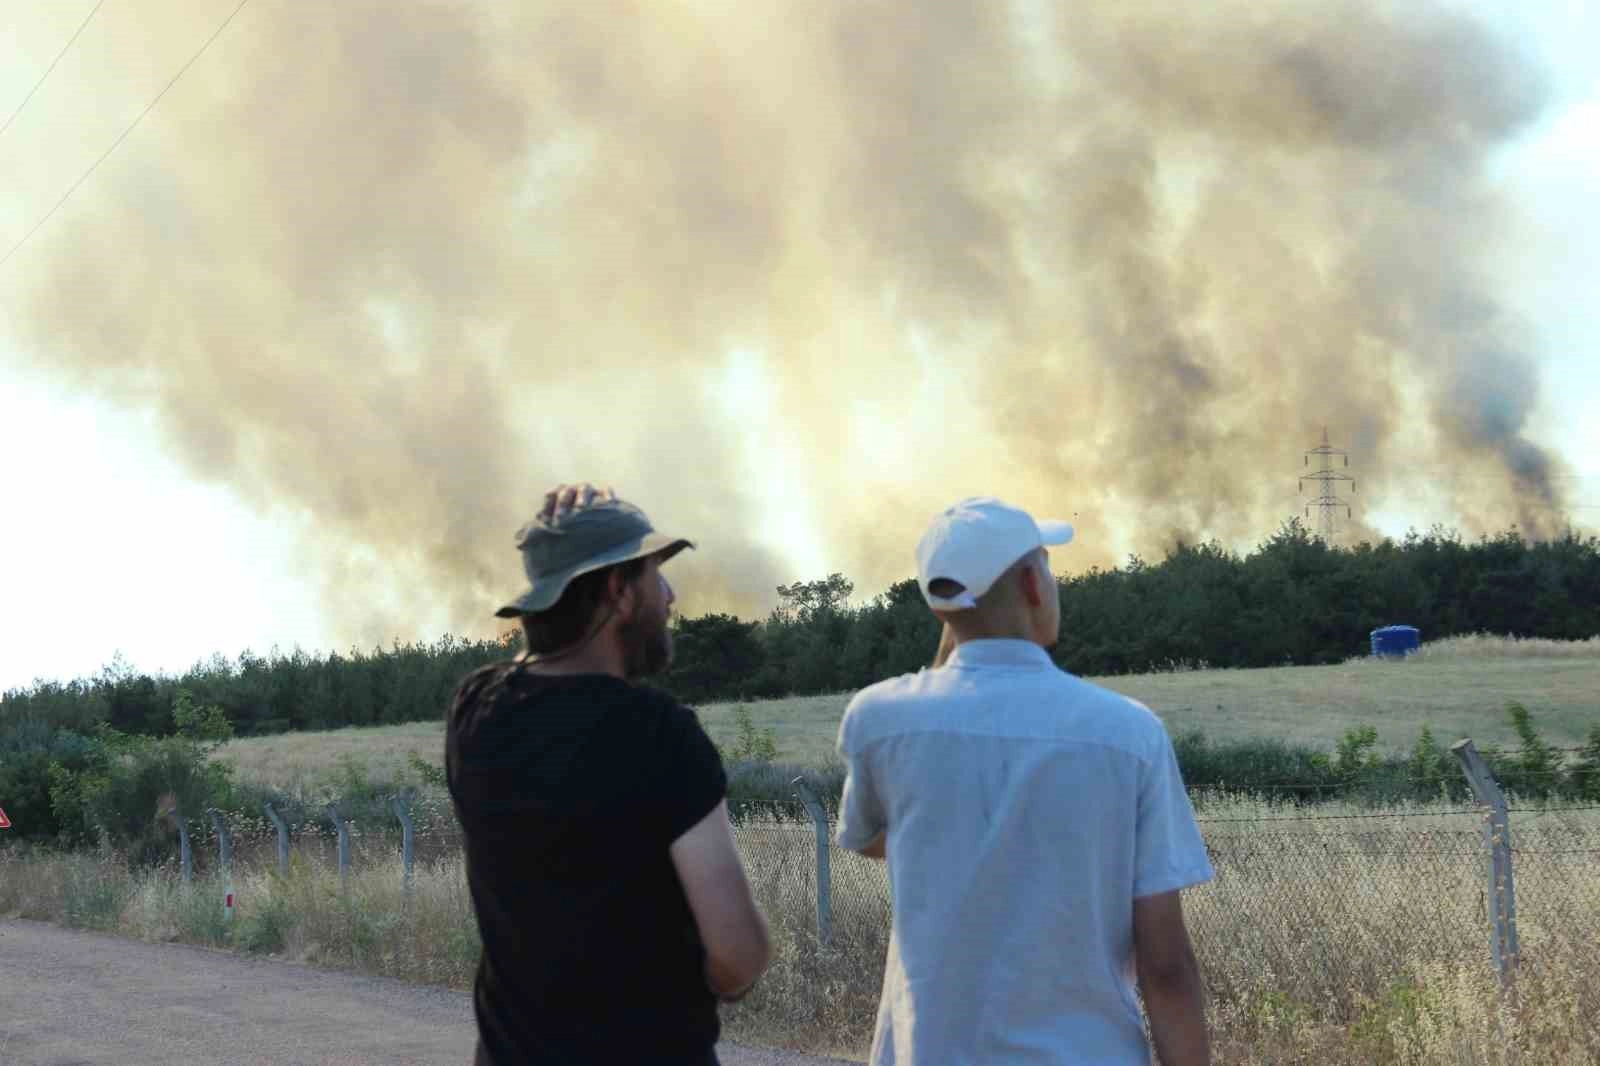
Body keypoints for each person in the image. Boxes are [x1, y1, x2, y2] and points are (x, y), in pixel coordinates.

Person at [835, 497, 1213, 1066]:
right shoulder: (1128, 733)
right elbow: (1166, 967)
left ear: (938, 608)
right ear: (1035, 584)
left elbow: (873, 838)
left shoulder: (879, 721)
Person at [447, 482, 772, 1066]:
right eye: (654, 574)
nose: (669, 595)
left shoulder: (476, 712)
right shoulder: (658, 734)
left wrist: (559, 547)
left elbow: (533, 668)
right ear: (619, 593)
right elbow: (737, 955)